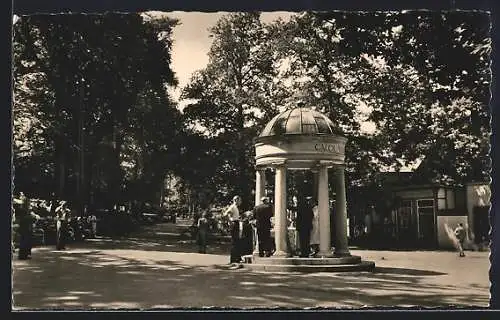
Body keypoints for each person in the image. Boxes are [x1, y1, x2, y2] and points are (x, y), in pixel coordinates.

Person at [224, 195, 243, 269]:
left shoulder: (236, 208)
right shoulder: (232, 207)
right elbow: (225, 214)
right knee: (234, 241)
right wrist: (230, 222)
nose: (240, 202)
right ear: (236, 200)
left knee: (237, 241)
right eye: (239, 200)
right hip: (234, 223)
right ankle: (233, 260)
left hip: (236, 222)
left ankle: (237, 258)